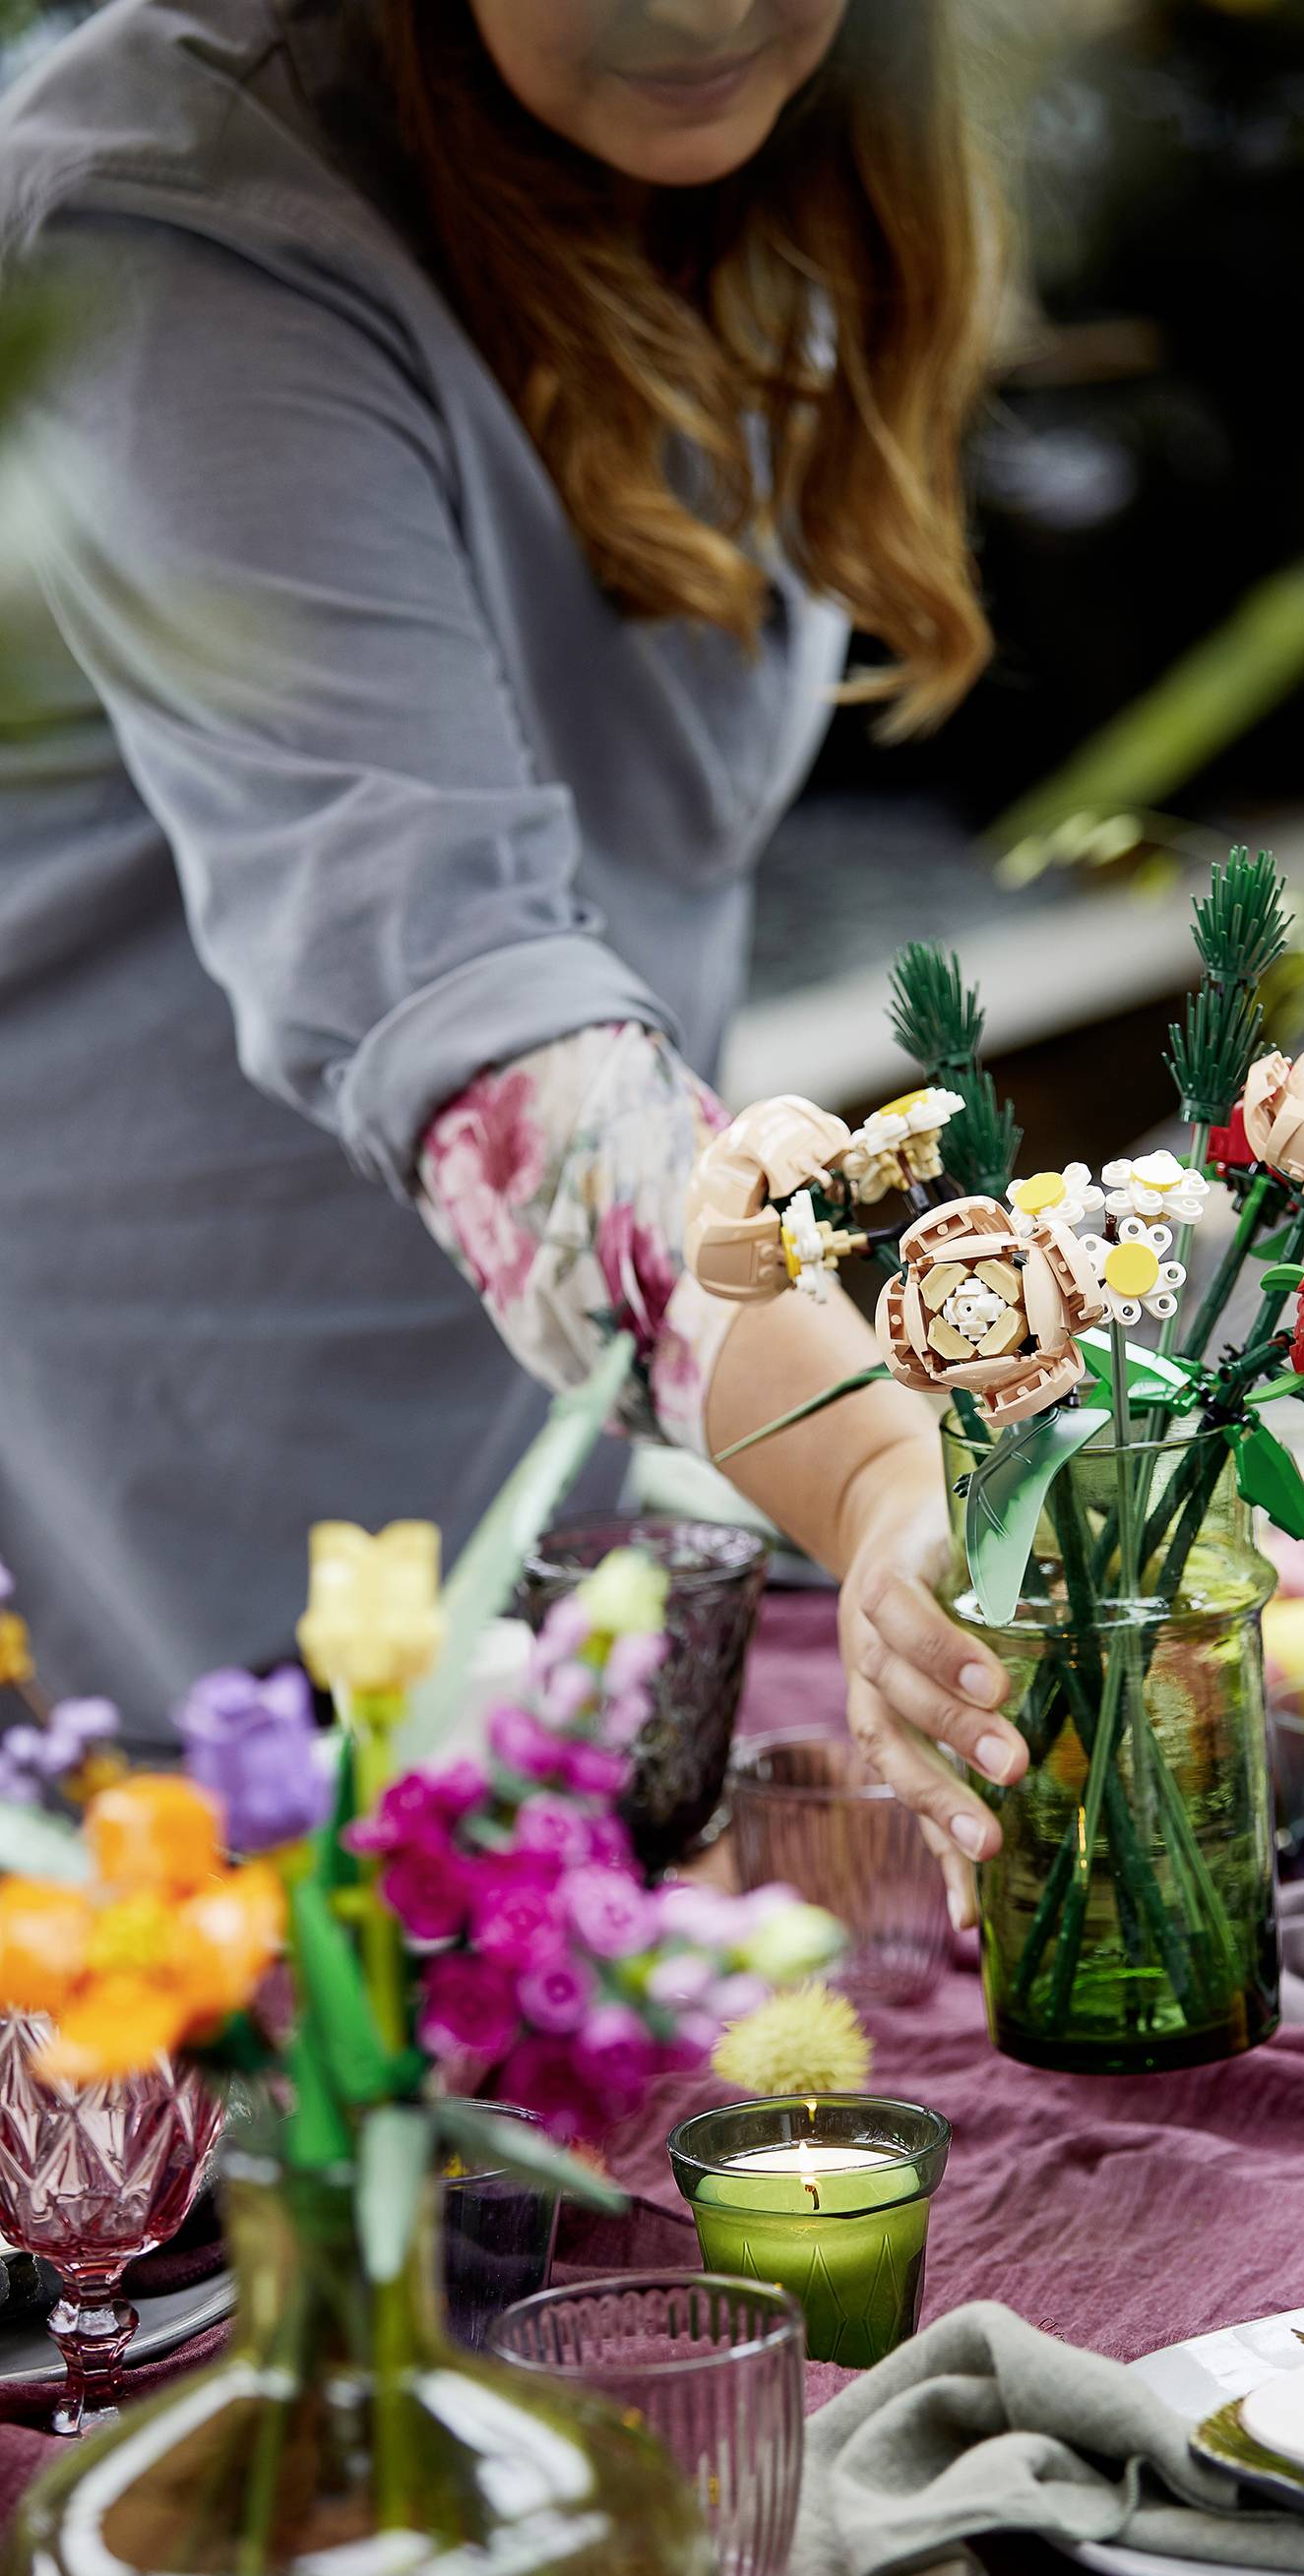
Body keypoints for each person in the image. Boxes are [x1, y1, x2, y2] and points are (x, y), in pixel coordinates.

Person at [0, 0, 1025, 1918]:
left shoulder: (741, 143)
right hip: (133, 1483)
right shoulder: (165, 226)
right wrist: (875, 1463)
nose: (708, 6)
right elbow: (478, 1022)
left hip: (503, 1471)